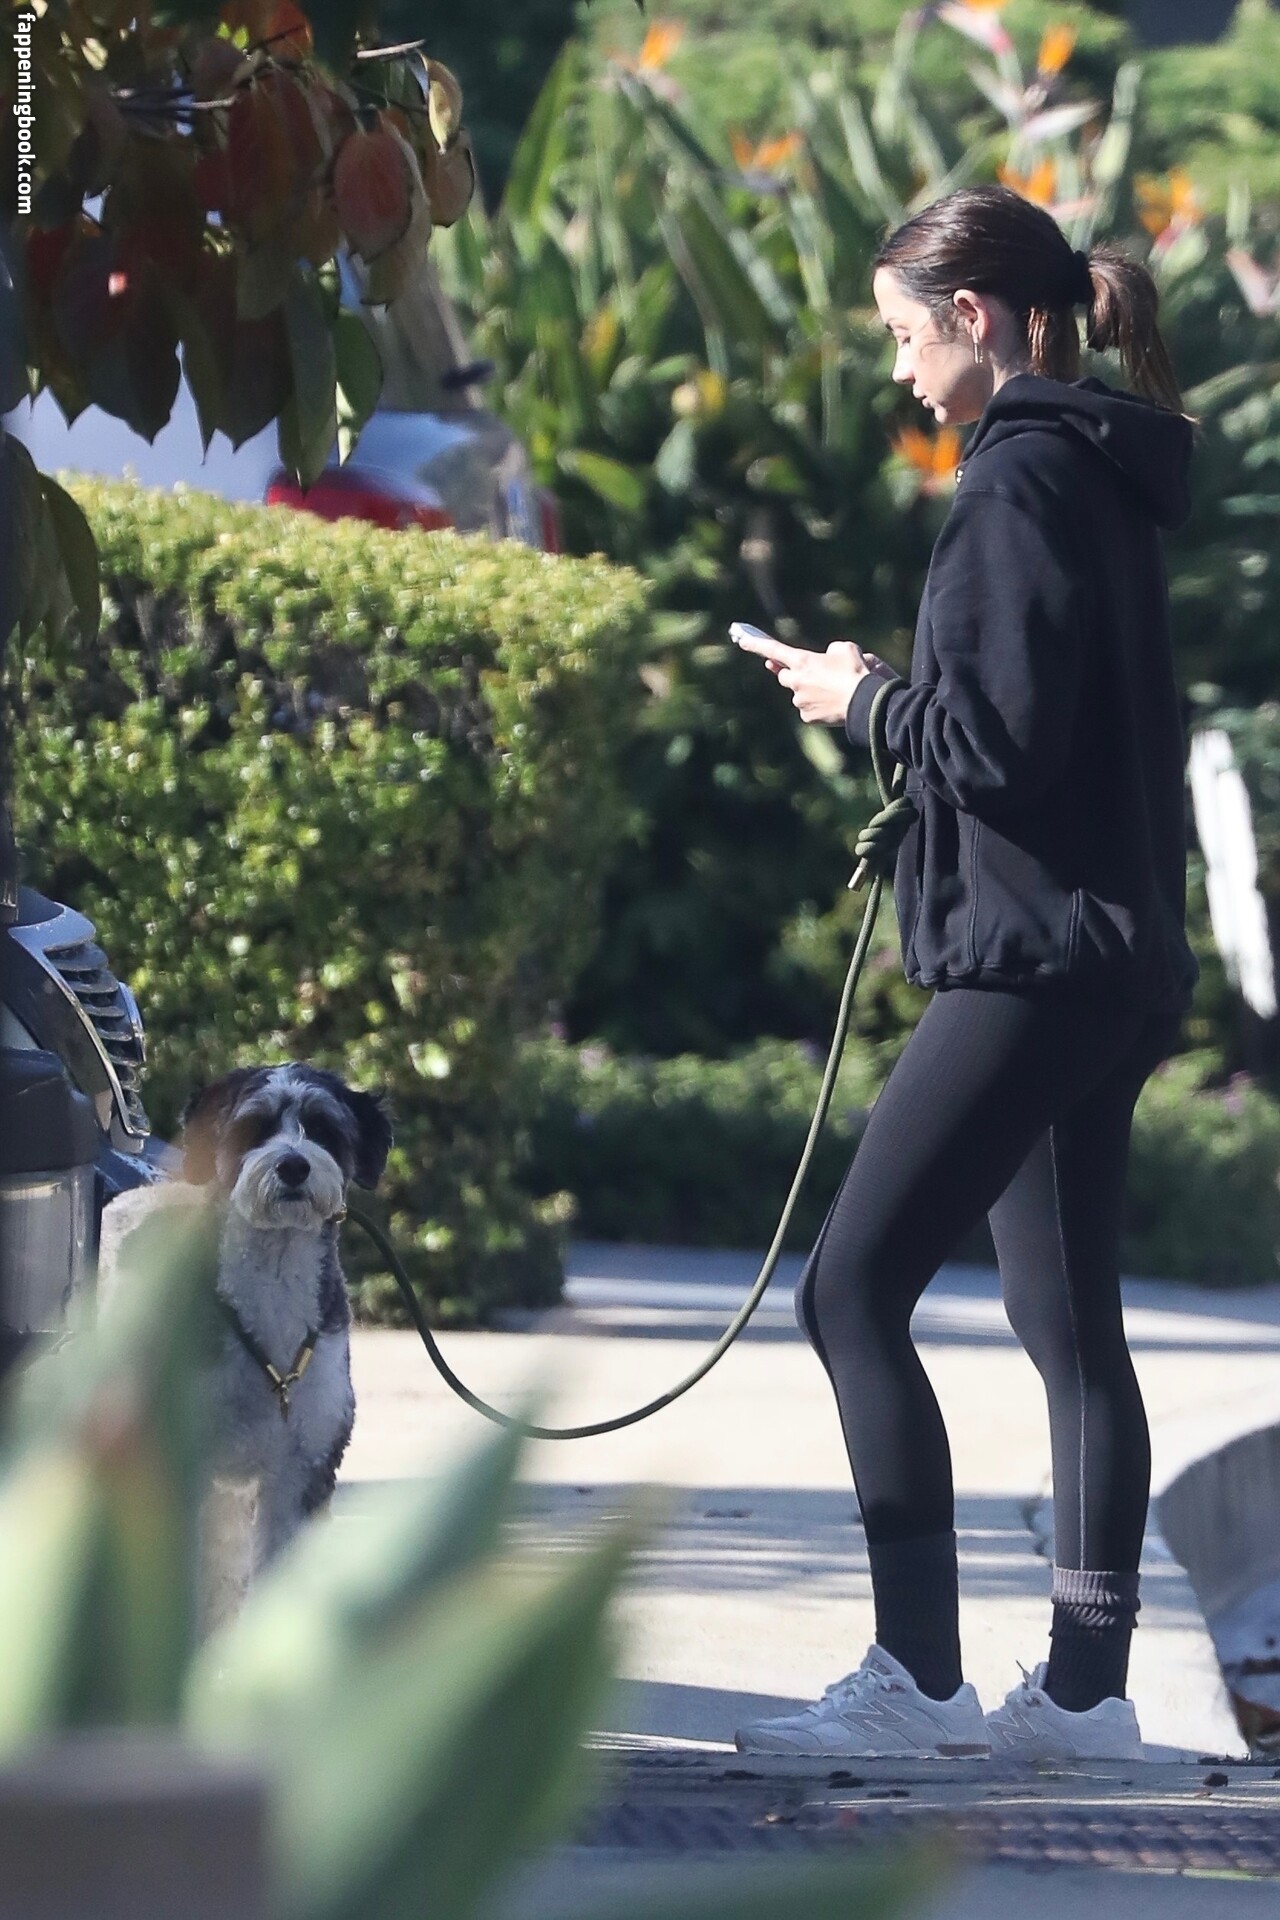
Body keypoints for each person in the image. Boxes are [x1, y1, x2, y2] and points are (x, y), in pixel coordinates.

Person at [730, 183, 1199, 1763]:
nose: (900, 372)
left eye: (904, 338)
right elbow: (1036, 723)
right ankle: (1084, 1698)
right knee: (1070, 1330)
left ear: (978, 319)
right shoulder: (1102, 469)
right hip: (1107, 956)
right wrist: (890, 698)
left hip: (1034, 960)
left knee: (852, 1288)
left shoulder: (1012, 480)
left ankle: (916, 1678)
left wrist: (861, 699)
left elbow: (996, 748)